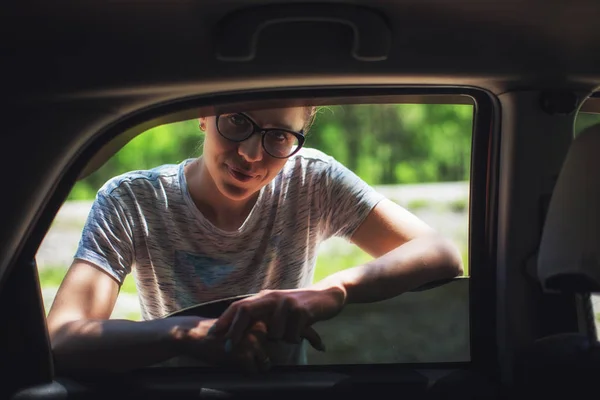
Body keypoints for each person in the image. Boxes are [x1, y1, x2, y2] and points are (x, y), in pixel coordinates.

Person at [47, 106, 464, 374]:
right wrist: (185, 334)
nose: (250, 153)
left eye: (279, 137)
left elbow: (440, 253)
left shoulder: (312, 179)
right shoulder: (134, 199)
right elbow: (63, 335)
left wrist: (332, 290)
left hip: (281, 384)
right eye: (237, 122)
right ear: (204, 114)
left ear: (300, 136)